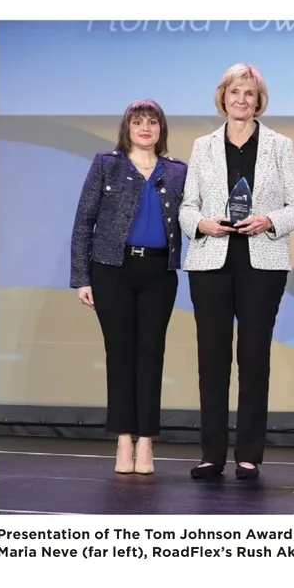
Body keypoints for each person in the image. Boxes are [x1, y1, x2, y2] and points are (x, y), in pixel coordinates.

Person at [179, 64, 294, 482]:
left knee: (254, 358)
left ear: (258, 100)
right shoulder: (202, 146)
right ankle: (211, 454)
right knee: (212, 359)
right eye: (235, 92)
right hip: (210, 263)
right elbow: (186, 207)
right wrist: (202, 224)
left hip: (262, 264)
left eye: (249, 93)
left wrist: (268, 220)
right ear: (223, 97)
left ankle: (249, 455)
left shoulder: (279, 145)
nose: (241, 99)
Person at [71, 100, 187, 475]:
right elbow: (84, 222)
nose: (145, 128)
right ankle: (123, 439)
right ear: (127, 128)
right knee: (120, 355)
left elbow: (192, 217)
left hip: (159, 273)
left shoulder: (177, 171)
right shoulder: (107, 164)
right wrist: (82, 277)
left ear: (161, 129)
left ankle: (147, 441)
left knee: (151, 355)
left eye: (152, 122)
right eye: (138, 122)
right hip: (112, 271)